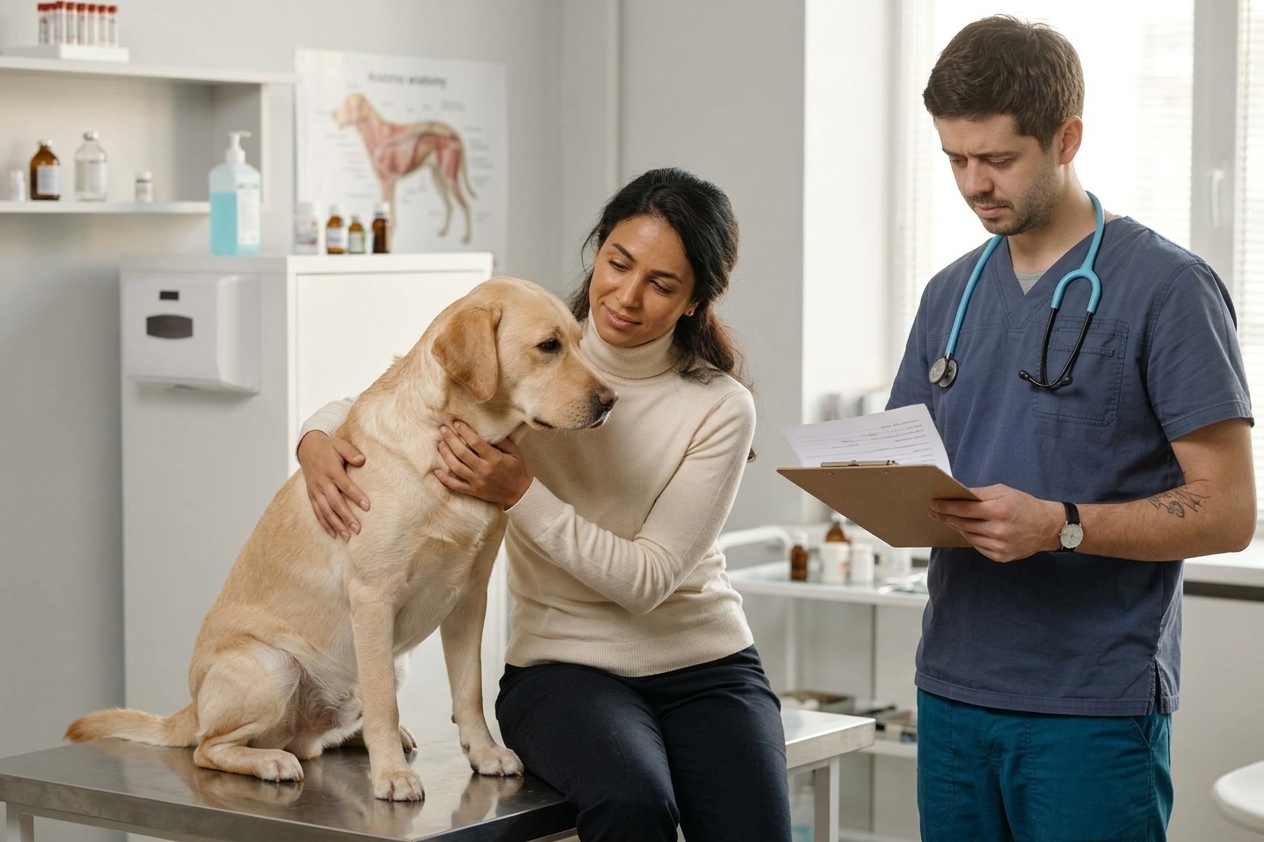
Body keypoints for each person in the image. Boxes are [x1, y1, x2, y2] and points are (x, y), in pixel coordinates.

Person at [295, 167, 792, 842]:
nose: (626, 295)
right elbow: (407, 398)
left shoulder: (720, 406)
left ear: (694, 302)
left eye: (662, 284)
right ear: (598, 252)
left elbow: (645, 582)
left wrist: (519, 494)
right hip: (563, 669)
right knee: (634, 804)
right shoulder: (533, 344)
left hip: (707, 667)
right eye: (617, 264)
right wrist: (315, 435)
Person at [887, 15, 1256, 841]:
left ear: (1067, 137)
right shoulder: (951, 293)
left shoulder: (1169, 290)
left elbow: (1230, 512)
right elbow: (902, 460)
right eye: (955, 159)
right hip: (950, 692)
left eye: (999, 159)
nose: (974, 183)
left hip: (1088, 706)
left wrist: (1063, 526)